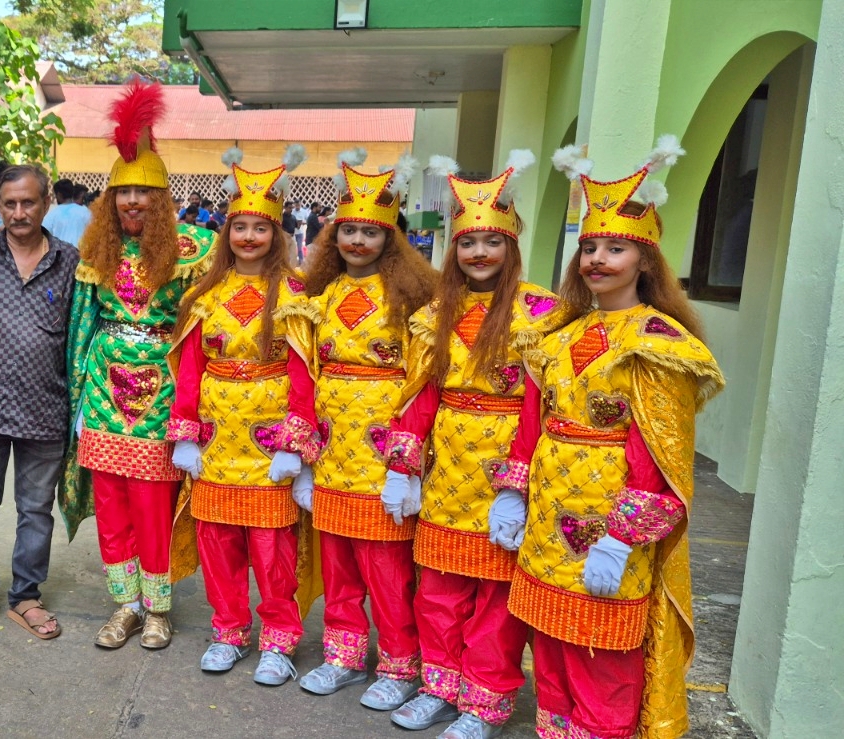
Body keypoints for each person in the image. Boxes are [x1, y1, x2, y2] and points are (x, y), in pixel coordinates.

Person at [493, 138, 722, 739]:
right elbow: (531, 420)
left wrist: (622, 537)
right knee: (552, 645)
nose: (597, 259)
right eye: (589, 247)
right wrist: (512, 492)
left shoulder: (656, 341)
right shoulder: (559, 334)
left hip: (610, 515)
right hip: (547, 509)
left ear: (645, 261)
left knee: (605, 654)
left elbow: (657, 450)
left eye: (615, 248)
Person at [380, 151, 565, 739]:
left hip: (506, 469)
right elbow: (421, 394)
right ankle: (439, 685)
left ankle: (484, 701)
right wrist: (403, 467)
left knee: (495, 599)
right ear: (452, 248)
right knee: (437, 590)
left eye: (492, 242)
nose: (479, 253)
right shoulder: (437, 313)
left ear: (512, 246)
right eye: (467, 242)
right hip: (446, 470)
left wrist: (516, 486)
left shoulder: (543, 315)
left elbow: (541, 405)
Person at [64, 79, 218, 651]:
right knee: (111, 504)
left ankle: (158, 609)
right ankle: (124, 605)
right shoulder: (95, 254)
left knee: (154, 505)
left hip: (163, 388)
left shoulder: (195, 251)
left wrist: (193, 406)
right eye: (123, 194)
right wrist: (76, 394)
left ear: (163, 201)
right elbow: (81, 326)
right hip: (104, 388)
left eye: (144, 194)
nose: (133, 203)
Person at [166, 146, 319, 686]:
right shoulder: (206, 292)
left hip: (268, 442)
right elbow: (190, 367)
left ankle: (279, 638)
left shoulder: (296, 293)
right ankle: (228, 629)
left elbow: (304, 375)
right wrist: (185, 435)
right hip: (214, 440)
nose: (249, 237)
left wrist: (294, 446)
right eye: (240, 227)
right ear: (226, 232)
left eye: (260, 227)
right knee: (218, 542)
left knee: (272, 550)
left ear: (277, 235)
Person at [292, 148, 439, 709]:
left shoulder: (414, 300)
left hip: (383, 453)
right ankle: (344, 657)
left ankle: (400, 666)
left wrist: (406, 466)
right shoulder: (318, 297)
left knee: (387, 571)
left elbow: (422, 380)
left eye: (369, 233)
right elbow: (304, 377)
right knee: (339, 565)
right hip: (332, 451)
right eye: (347, 230)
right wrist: (304, 456)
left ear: (391, 240)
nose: (356, 241)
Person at [0, 164, 78, 640]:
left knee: (34, 510)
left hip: (46, 408)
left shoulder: (71, 262)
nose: (19, 212)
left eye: (28, 202)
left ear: (46, 202)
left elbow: (80, 332)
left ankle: (26, 597)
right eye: (10, 203)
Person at [42, 177, 93, 245]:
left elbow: (43, 236)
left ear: (59, 195)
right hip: (81, 254)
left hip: (60, 253)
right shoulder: (85, 212)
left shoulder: (52, 214)